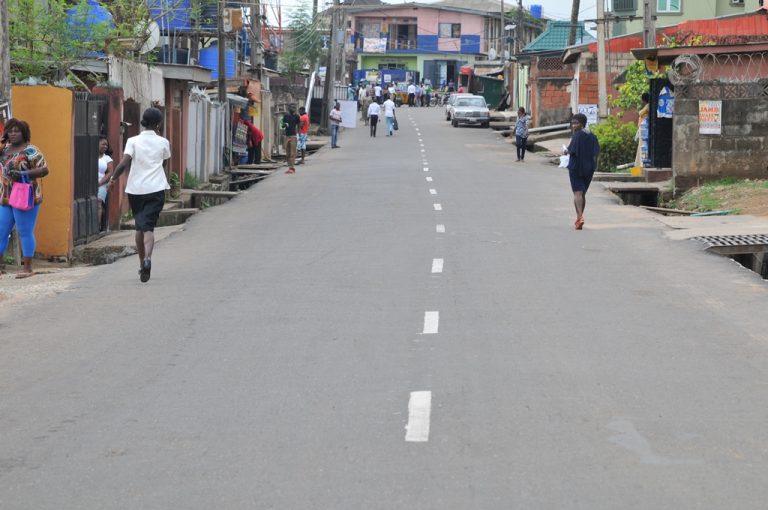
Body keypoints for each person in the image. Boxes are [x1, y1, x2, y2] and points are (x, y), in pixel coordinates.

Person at [108, 108, 170, 282]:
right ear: (158, 123)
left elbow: (123, 163)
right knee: (149, 228)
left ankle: (142, 263)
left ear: (143, 121)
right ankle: (148, 259)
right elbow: (163, 164)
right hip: (156, 189)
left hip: (136, 190)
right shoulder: (164, 142)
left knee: (139, 227)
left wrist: (113, 179)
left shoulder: (133, 141)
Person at [0, 118, 49, 278]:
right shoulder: (3, 149)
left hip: (26, 195)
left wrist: (23, 173)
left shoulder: (31, 150)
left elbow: (44, 169)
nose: (13, 133)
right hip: (6, 196)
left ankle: (27, 268)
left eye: (17, 131)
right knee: (1, 231)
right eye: (10, 131)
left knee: (24, 231)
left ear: (24, 133)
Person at [565, 113, 600, 230]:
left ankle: (580, 216)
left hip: (575, 167)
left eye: (576, 123)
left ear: (582, 124)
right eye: (573, 123)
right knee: (582, 193)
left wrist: (565, 151)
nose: (574, 125)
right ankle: (578, 218)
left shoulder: (577, 136)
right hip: (589, 168)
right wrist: (594, 167)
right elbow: (596, 153)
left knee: (577, 193)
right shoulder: (592, 136)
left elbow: (571, 151)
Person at [96, 135, 114, 229]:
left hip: (101, 184)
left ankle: (97, 226)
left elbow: (110, 172)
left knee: (98, 203)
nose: (105, 146)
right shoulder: (90, 155)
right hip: (89, 184)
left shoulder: (107, 158)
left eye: (106, 145)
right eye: (103, 144)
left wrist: (100, 183)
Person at [282, 106, 300, 173]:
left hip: (293, 136)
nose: (292, 109)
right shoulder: (286, 116)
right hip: (287, 136)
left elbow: (299, 125)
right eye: (291, 108)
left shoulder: (297, 116)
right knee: (287, 153)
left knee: (292, 153)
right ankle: (290, 167)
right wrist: (285, 124)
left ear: (295, 109)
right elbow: (282, 125)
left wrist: (299, 134)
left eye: (294, 108)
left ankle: (292, 168)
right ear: (289, 109)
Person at [635, 92, 650, 169]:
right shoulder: (646, 106)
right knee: (640, 148)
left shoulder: (648, 106)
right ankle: (638, 166)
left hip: (644, 129)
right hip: (642, 128)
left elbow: (640, 113)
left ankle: (641, 166)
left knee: (642, 147)